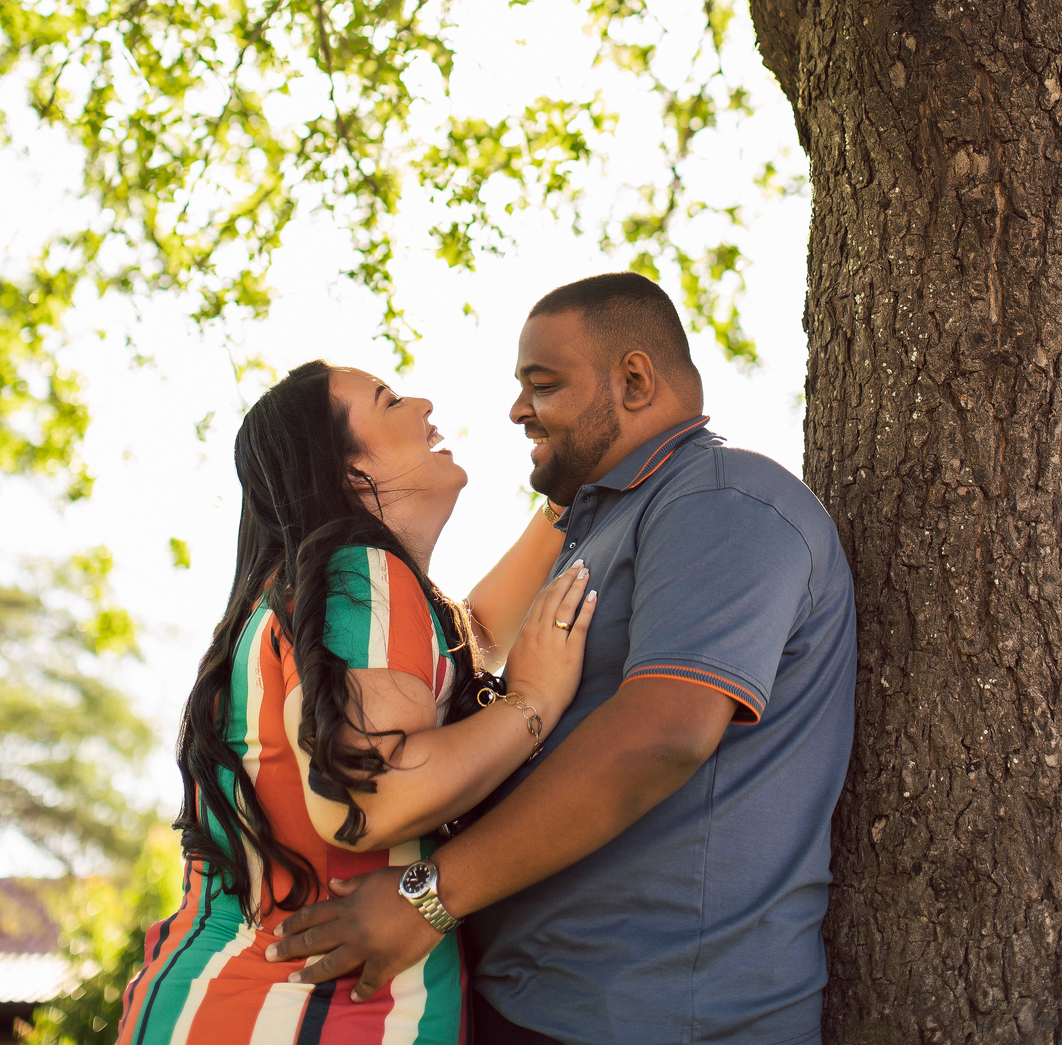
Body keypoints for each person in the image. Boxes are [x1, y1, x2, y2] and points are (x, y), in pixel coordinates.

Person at [268, 273, 857, 1045]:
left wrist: (429, 895)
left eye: (541, 385)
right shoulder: (608, 524)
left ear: (635, 379)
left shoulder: (725, 499)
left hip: (657, 1015)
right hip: (536, 1002)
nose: (517, 410)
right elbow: (472, 629)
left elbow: (661, 736)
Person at [117, 358, 595, 1045]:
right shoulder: (358, 570)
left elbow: (471, 641)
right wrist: (534, 701)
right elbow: (367, 795)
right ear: (343, 468)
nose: (424, 403)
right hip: (292, 1018)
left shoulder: (315, 590)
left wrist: (563, 502)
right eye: (390, 399)